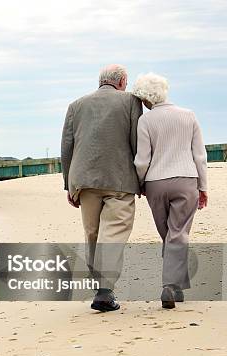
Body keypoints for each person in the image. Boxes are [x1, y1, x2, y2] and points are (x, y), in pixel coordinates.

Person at [61, 64, 143, 312]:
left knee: (93, 234)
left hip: (84, 180)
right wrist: (142, 177)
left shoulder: (76, 105)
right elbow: (136, 140)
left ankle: (100, 288)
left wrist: (68, 184)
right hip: (119, 178)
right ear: (122, 81)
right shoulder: (130, 101)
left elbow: (67, 146)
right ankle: (105, 291)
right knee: (114, 232)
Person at [132, 73, 208, 309]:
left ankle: (174, 287)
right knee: (178, 234)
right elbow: (200, 156)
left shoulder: (145, 121)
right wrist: (203, 186)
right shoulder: (188, 115)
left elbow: (142, 160)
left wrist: (141, 183)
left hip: (156, 183)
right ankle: (171, 286)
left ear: (145, 99)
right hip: (186, 180)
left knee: (169, 235)